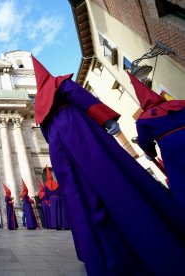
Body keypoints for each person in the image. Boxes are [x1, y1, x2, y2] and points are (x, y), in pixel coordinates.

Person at [32, 55, 185, 275]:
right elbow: (81, 97)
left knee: (77, 193)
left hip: (58, 142)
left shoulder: (40, 103)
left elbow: (46, 133)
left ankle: (96, 254)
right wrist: (106, 119)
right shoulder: (60, 83)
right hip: (77, 128)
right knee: (109, 174)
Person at [127, 72, 185, 209]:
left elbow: (145, 142)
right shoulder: (180, 103)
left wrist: (151, 153)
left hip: (172, 148)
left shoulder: (143, 119)